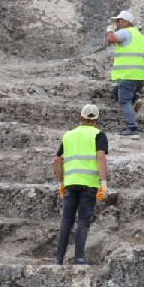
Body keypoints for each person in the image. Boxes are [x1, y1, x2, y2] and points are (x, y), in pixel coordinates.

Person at [53, 103, 108, 265]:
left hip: (70, 183)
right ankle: (78, 258)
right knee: (83, 221)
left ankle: (58, 259)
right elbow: (100, 157)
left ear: (81, 117)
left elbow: (57, 160)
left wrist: (61, 182)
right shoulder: (98, 134)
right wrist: (103, 183)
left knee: (66, 222)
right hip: (89, 184)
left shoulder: (68, 135)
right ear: (96, 119)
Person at [104, 9, 144, 137]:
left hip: (128, 75)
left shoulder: (125, 32)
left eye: (118, 20)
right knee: (116, 93)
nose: (117, 23)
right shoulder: (140, 36)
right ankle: (134, 101)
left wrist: (109, 30)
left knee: (124, 101)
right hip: (141, 76)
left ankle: (132, 128)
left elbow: (110, 39)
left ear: (125, 22)